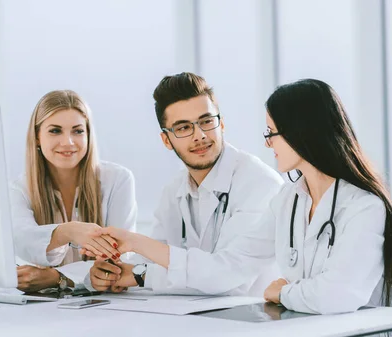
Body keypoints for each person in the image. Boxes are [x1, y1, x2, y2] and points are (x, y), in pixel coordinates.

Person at [86, 72, 284, 295]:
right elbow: (147, 264)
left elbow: (225, 276)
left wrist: (136, 252)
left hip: (251, 322)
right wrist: (111, 273)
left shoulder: (260, 184)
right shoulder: (174, 192)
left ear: (222, 125)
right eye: (183, 128)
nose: (199, 135)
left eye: (206, 122)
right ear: (166, 140)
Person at [260, 79, 392, 314]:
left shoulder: (364, 207)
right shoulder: (288, 198)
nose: (268, 143)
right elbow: (247, 251)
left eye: (272, 133)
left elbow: (337, 295)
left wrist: (283, 293)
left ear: (299, 132)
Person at [10, 90, 137, 293]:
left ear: (88, 135)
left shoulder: (118, 180)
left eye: (78, 131)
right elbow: (24, 244)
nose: (68, 142)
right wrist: (67, 232)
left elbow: (120, 263)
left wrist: (58, 278)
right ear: (37, 137)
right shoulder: (19, 188)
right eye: (55, 131)